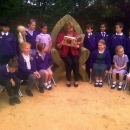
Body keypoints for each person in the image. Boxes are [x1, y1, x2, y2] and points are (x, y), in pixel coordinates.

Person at [56, 21, 81, 87]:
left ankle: (76, 80)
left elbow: (79, 46)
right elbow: (58, 47)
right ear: (66, 28)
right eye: (69, 28)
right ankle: (68, 80)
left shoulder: (76, 34)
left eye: (72, 28)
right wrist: (61, 43)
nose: (71, 29)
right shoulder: (61, 35)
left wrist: (76, 46)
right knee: (69, 62)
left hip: (74, 52)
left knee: (76, 62)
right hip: (65, 53)